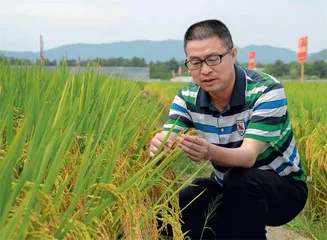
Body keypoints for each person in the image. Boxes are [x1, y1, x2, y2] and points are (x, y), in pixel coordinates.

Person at [149, 19, 308, 239]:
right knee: (173, 213)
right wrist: (161, 143)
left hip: (283, 191)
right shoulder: (186, 97)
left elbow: (247, 157)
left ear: (232, 55)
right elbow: (170, 133)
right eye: (195, 62)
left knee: (240, 180)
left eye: (213, 59)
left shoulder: (266, 91)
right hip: (226, 186)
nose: (205, 70)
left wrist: (209, 152)